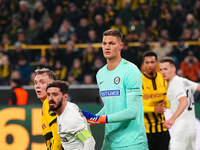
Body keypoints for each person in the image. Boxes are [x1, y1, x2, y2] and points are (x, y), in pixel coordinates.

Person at [82, 29, 148, 150]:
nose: (107, 47)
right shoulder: (100, 74)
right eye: (104, 43)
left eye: (112, 43)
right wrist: (93, 119)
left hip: (131, 143)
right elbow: (110, 106)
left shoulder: (131, 71)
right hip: (109, 143)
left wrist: (101, 119)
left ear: (121, 46)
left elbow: (132, 112)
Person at [159, 57, 200, 150]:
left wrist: (172, 119)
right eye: (161, 69)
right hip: (192, 127)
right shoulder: (183, 80)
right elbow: (198, 87)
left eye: (165, 69)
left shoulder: (174, 83)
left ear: (173, 69)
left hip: (181, 128)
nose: (163, 72)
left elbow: (184, 101)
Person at [46, 80, 95, 150]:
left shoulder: (70, 118)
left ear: (65, 97)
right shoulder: (68, 107)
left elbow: (89, 141)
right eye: (48, 94)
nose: (50, 98)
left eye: (55, 95)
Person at [142, 51, 170, 150]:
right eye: (147, 62)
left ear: (157, 63)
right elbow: (135, 107)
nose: (150, 65)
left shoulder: (163, 78)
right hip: (146, 131)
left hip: (163, 129)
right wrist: (153, 109)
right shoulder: (138, 80)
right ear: (143, 64)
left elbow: (167, 101)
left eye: (152, 62)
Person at [33, 68, 62, 150]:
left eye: (42, 82)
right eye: (35, 83)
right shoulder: (58, 102)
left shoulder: (49, 103)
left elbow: (58, 137)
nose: (37, 86)